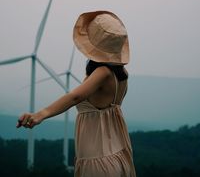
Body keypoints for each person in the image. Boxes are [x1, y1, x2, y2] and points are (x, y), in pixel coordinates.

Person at [17, 10, 137, 177]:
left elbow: (75, 96)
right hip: (115, 154)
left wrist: (40, 115)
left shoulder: (103, 72)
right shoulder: (122, 74)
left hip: (98, 161)